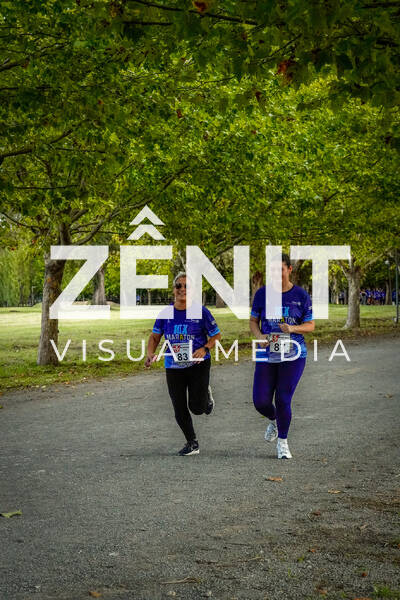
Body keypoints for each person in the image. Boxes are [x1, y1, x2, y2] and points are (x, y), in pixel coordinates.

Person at [145, 273, 221, 456]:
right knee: (178, 406)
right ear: (173, 290)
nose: (182, 289)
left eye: (187, 286)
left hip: (198, 364)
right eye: (178, 286)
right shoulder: (166, 313)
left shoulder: (201, 312)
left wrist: (205, 348)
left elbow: (216, 335)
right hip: (173, 366)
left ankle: (205, 397)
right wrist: (150, 353)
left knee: (197, 408)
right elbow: (155, 337)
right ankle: (192, 443)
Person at [250, 255, 315, 459]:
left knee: (282, 398)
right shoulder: (262, 294)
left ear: (289, 270)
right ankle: (275, 420)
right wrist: (260, 336)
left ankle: (283, 443)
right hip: (267, 353)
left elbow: (310, 325)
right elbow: (253, 321)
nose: (276, 274)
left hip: (294, 354)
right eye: (272, 270)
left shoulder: (301, 295)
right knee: (260, 401)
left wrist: (293, 328)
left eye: (280, 269)